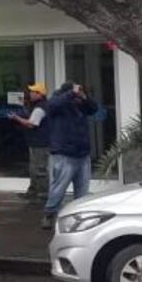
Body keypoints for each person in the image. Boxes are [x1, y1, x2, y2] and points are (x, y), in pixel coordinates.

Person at [41, 82, 98, 229]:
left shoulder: (80, 104)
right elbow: (52, 106)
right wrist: (71, 93)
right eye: (75, 93)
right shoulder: (57, 102)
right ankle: (49, 214)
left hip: (82, 153)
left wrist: (84, 97)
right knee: (58, 187)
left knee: (82, 190)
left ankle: (80, 217)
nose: (77, 96)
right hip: (64, 153)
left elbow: (93, 109)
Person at [9, 83, 49, 202]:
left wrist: (17, 118)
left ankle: (43, 194)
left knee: (40, 169)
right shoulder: (38, 106)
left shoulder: (40, 108)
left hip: (40, 143)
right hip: (36, 142)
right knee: (33, 168)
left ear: (39, 94)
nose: (30, 94)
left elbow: (32, 124)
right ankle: (33, 192)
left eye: (33, 92)